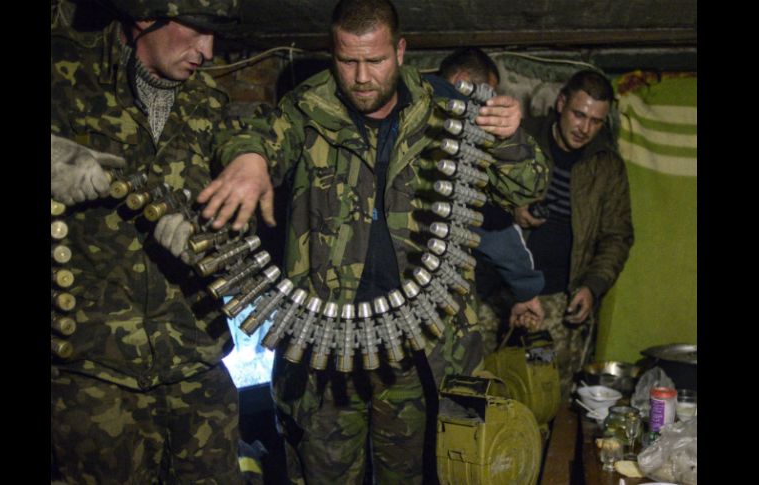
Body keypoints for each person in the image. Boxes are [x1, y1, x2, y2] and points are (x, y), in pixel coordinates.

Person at [195, 1, 548, 483]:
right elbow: (258, 136)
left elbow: (526, 189)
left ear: (400, 51)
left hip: (418, 351)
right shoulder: (305, 109)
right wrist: (250, 157)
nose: (362, 77)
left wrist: (509, 137)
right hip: (325, 354)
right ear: (332, 53)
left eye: (375, 60)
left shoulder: (444, 111)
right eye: (347, 61)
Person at [50, 1, 246, 482]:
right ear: (145, 16)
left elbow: (238, 215)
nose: (208, 50)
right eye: (197, 31)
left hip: (195, 359)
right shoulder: (63, 71)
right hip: (95, 371)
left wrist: (208, 238)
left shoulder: (210, 102)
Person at [515, 70, 634, 400]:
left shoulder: (606, 165)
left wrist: (593, 286)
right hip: (496, 295)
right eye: (579, 115)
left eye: (596, 121)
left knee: (543, 397)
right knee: (481, 391)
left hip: (555, 306)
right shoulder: (519, 139)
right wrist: (514, 212)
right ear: (561, 103)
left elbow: (617, 235)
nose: (585, 128)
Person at [425, 47, 545, 355]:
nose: (487, 106)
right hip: (433, 307)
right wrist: (526, 289)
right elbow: (491, 222)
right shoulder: (460, 134)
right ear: (463, 80)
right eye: (486, 94)